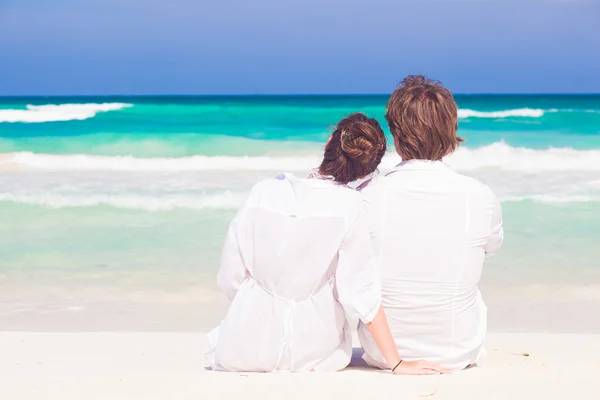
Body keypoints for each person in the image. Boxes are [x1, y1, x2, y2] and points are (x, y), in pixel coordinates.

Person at [206, 113, 446, 375]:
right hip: (311, 353)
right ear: (367, 170)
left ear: (329, 142)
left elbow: (230, 277)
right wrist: (396, 362)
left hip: (242, 347)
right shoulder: (350, 206)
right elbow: (360, 291)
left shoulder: (263, 192)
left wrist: (255, 310)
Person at [359, 76, 504, 370]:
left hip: (381, 352)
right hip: (457, 351)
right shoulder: (480, 196)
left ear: (396, 136)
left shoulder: (366, 196)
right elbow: (490, 249)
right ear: (450, 132)